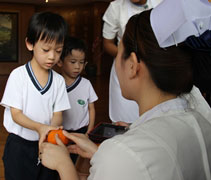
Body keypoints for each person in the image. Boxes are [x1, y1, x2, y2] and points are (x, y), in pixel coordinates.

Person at [40, 1, 211, 180]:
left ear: (133, 65)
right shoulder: (203, 122)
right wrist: (101, 150)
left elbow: (131, 158)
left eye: (120, 52)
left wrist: (63, 164)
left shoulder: (121, 155)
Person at [0, 12, 70, 180]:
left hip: (47, 144)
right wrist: (40, 128)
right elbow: (16, 114)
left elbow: (58, 114)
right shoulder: (18, 76)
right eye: (46, 50)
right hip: (19, 146)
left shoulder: (59, 81)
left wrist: (50, 133)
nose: (52, 56)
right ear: (30, 44)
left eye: (58, 51)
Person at [102, 0, 162, 123]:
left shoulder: (161, 3)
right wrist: (128, 58)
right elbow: (107, 44)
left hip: (155, 64)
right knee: (125, 120)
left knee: (153, 118)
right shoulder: (116, 7)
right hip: (125, 67)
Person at [58, 36, 98, 165]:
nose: (77, 67)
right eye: (73, 62)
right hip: (62, 132)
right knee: (62, 162)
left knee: (78, 162)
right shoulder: (55, 84)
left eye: (81, 62)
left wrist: (89, 131)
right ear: (60, 62)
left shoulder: (86, 84)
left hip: (81, 131)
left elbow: (91, 108)